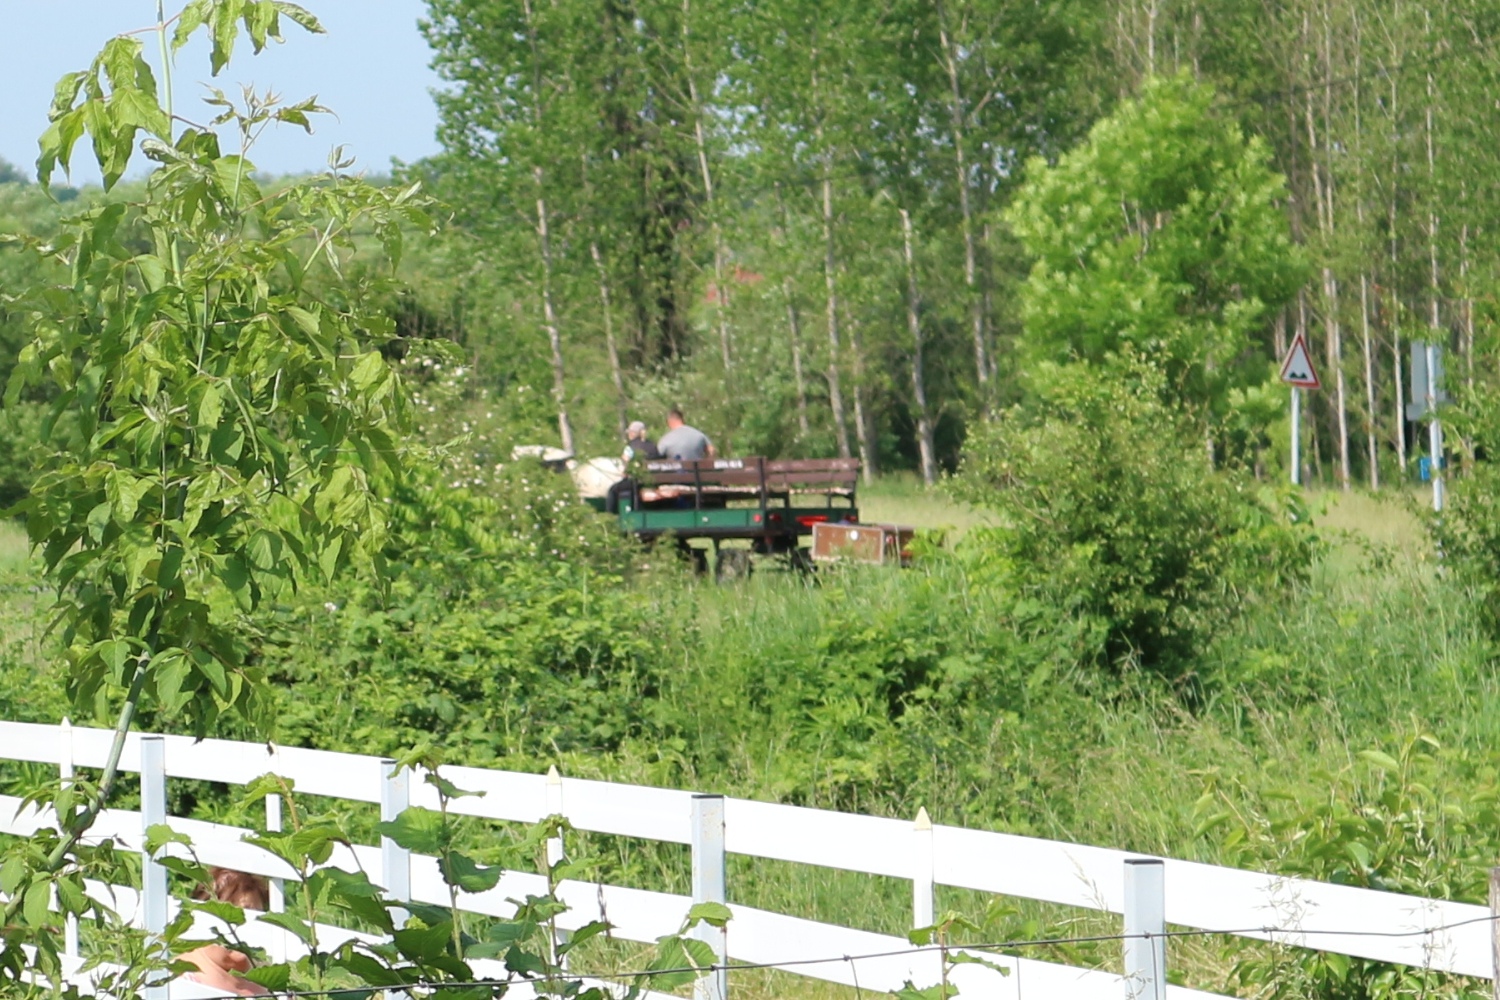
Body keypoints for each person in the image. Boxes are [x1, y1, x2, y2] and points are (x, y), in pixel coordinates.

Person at [178, 868, 272, 996]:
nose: (246, 929)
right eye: (235, 918)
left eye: (255, 919)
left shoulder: (270, 981)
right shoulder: (181, 980)